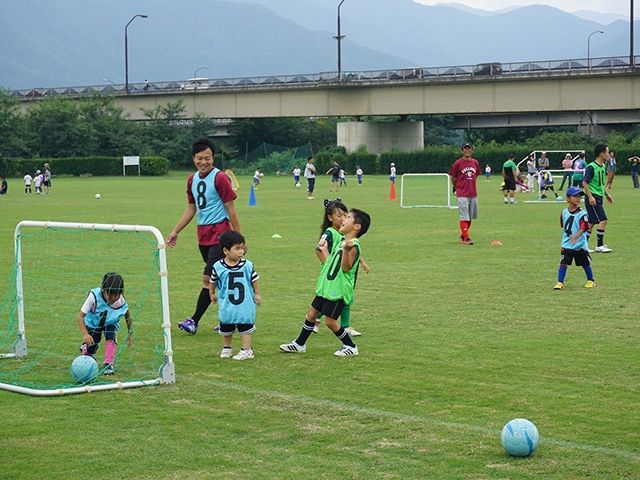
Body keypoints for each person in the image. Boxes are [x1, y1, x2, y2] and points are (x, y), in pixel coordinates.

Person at [168, 137, 242, 335]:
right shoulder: (192, 179)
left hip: (221, 235)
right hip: (203, 235)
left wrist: (239, 239)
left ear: (213, 158)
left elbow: (231, 210)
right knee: (220, 279)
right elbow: (191, 209)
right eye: (200, 158)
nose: (204, 162)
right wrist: (176, 231)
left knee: (208, 278)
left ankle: (193, 321)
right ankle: (228, 321)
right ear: (193, 158)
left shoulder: (220, 178)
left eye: (208, 158)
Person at [280, 208, 371, 356]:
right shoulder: (343, 242)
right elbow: (332, 263)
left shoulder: (353, 245)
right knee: (311, 313)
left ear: (357, 227)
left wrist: (347, 250)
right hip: (327, 287)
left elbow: (346, 268)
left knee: (330, 322)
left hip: (338, 289)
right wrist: (324, 251)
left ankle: (351, 346)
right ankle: (299, 344)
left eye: (347, 217)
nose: (343, 219)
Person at [312, 199, 369, 337]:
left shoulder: (345, 236)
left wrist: (361, 262)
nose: (343, 218)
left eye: (346, 215)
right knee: (330, 303)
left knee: (343, 300)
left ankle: (343, 326)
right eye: (340, 216)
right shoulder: (330, 232)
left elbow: (351, 252)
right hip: (333, 275)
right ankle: (344, 336)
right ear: (330, 218)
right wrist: (329, 266)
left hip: (340, 275)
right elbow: (318, 249)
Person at [209, 230, 261, 360]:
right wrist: (211, 293)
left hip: (245, 303)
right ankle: (227, 347)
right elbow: (213, 281)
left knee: (245, 326)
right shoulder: (218, 267)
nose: (241, 252)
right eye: (237, 249)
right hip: (227, 303)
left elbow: (254, 279)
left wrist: (257, 294)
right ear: (226, 251)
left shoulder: (247, 265)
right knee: (226, 325)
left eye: (242, 248)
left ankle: (247, 350)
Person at [77, 272, 133, 375]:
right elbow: (80, 317)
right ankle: (87, 351)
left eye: (117, 295)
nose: (114, 299)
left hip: (110, 321)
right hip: (94, 323)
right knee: (93, 342)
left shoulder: (120, 300)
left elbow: (127, 315)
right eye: (110, 297)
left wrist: (130, 332)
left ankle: (108, 363)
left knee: (110, 336)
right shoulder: (93, 296)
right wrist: (85, 333)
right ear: (102, 289)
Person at [554, 187, 596, 290]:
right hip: (567, 243)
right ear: (568, 198)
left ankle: (591, 280)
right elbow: (563, 225)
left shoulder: (582, 213)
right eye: (575, 196)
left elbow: (586, 226)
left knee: (585, 263)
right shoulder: (564, 212)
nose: (578, 199)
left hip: (579, 244)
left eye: (579, 196)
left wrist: (577, 236)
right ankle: (560, 282)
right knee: (563, 263)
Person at [583, 144, 613, 253]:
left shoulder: (602, 166)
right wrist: (590, 197)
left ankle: (583, 245)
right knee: (603, 219)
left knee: (591, 222)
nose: (608, 155)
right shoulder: (591, 167)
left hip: (599, 196)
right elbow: (585, 182)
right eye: (607, 152)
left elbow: (600, 183)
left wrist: (606, 193)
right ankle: (599, 245)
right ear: (601, 154)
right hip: (593, 197)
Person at [448, 142, 480, 245]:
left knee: (470, 216)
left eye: (469, 149)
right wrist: (457, 187)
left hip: (472, 193)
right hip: (462, 193)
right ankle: (467, 237)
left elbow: (477, 175)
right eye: (465, 149)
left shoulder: (475, 162)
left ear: (472, 150)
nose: (467, 151)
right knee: (464, 216)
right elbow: (453, 177)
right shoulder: (458, 163)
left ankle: (463, 235)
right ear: (462, 151)